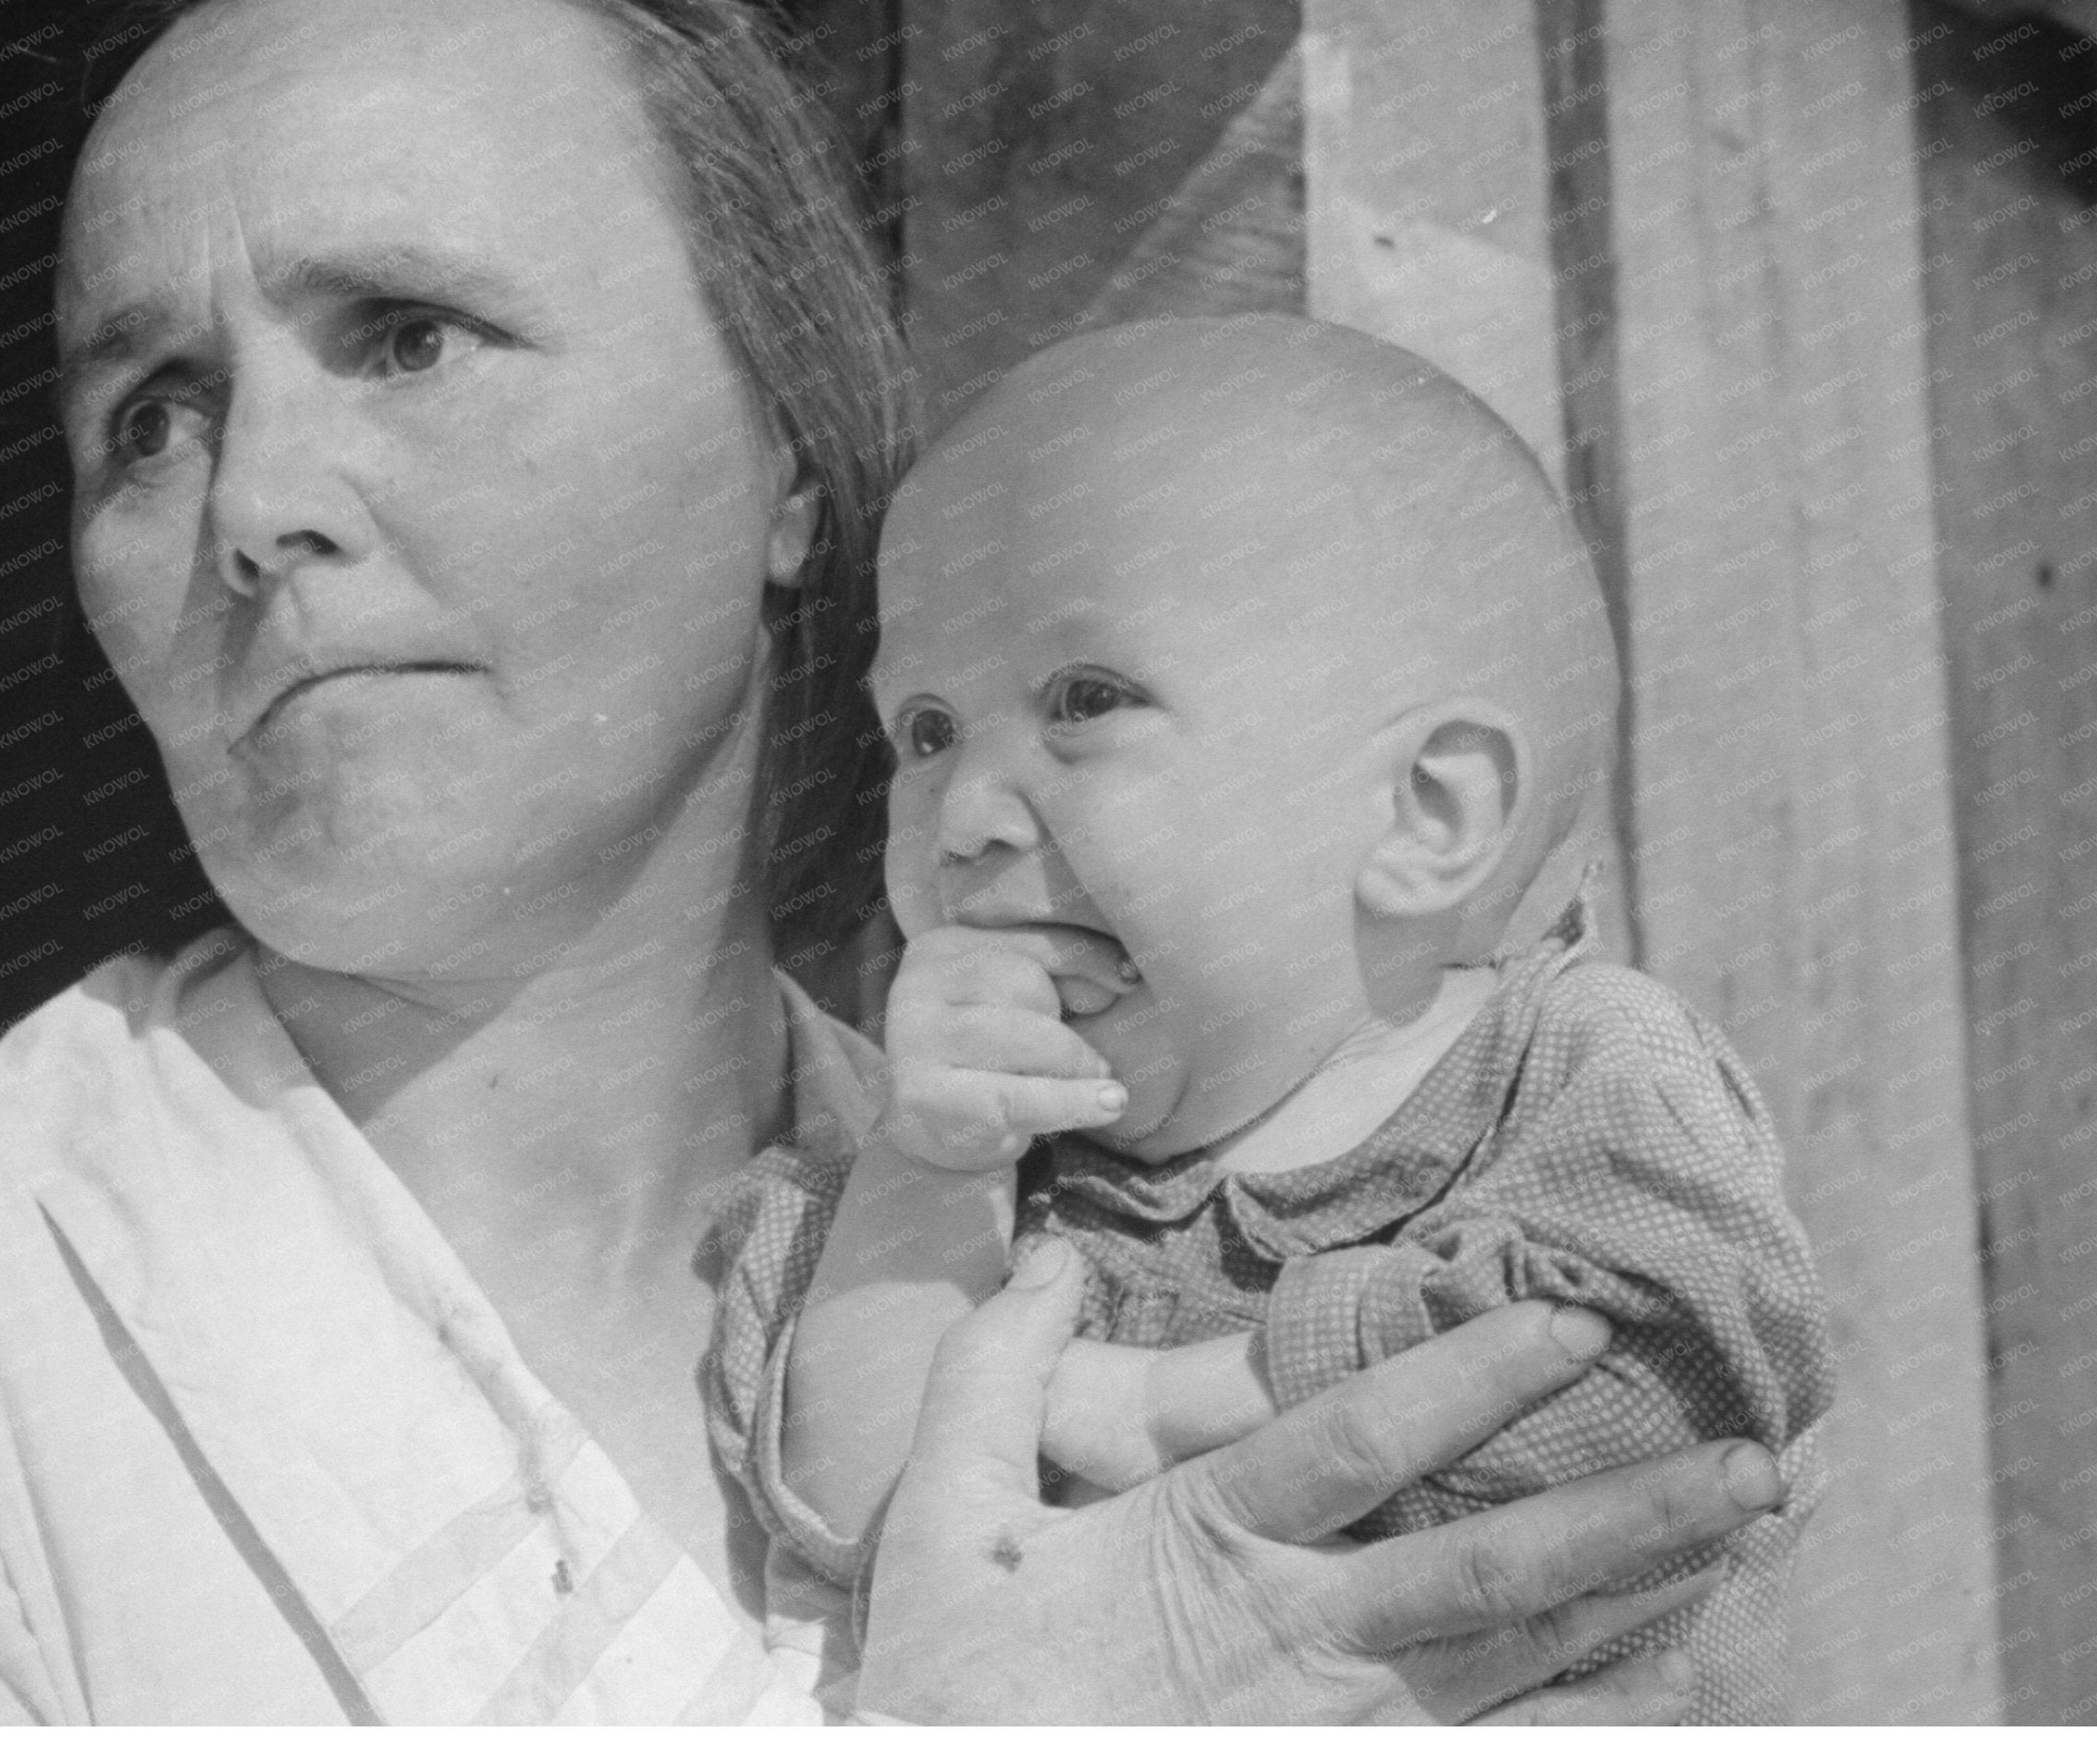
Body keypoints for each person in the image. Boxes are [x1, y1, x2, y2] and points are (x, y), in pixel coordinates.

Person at [0, 0, 1787, 1725]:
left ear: (789, 452)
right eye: (148, 414)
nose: (252, 506)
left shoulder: (1135, 1224)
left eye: (409, 336)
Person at [707, 318, 1832, 1722]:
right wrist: (923, 1180)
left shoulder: (1577, 1072)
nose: (967, 818)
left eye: (1084, 702)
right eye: (924, 732)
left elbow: (1677, 1395)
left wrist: (1184, 1401)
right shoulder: (985, 1190)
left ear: (1426, 818)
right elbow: (870, 1530)